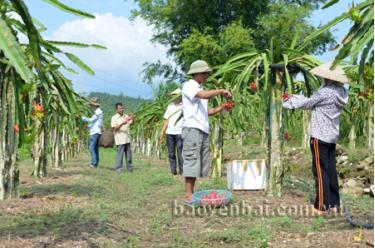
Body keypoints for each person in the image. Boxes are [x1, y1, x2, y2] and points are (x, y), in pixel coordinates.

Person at [282, 61, 349, 215]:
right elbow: (313, 102)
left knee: (320, 171)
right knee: (331, 169)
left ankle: (321, 206)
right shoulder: (341, 92)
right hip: (332, 136)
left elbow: (307, 103)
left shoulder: (325, 92)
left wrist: (288, 101)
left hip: (319, 136)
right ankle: (334, 204)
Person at [182, 60, 232, 205]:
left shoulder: (200, 88)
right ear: (196, 73)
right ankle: (188, 196)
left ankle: (191, 195)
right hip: (192, 129)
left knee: (197, 164)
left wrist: (222, 107)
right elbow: (203, 95)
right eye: (204, 73)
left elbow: (206, 112)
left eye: (207, 73)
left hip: (201, 130)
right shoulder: (190, 86)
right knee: (191, 162)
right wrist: (221, 91)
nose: (206, 75)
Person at [159, 89, 184, 175]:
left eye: (176, 96)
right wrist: (162, 132)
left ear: (180, 96)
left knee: (180, 152)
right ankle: (173, 171)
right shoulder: (170, 106)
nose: (174, 97)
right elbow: (166, 120)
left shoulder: (184, 106)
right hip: (169, 133)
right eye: (173, 96)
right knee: (171, 153)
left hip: (180, 132)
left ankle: (182, 171)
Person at [111, 103, 134, 173]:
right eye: (120, 108)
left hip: (127, 138)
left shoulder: (126, 116)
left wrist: (133, 118)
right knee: (120, 155)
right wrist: (122, 123)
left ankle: (130, 169)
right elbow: (114, 129)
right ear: (116, 109)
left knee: (129, 155)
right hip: (119, 139)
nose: (122, 110)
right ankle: (119, 169)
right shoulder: (114, 118)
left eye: (123, 108)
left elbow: (131, 123)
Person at [82, 97, 104, 168]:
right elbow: (94, 122)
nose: (91, 107)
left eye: (91, 105)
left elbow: (91, 120)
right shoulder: (98, 112)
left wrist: (82, 118)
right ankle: (95, 163)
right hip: (96, 131)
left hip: (95, 132)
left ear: (94, 105)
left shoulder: (98, 112)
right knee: (95, 148)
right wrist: (88, 126)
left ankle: (93, 163)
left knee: (91, 148)